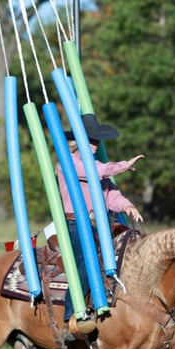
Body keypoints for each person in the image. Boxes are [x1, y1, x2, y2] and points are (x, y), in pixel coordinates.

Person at [56, 113, 144, 334]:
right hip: (76, 224)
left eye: (97, 141)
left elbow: (112, 195)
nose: (95, 145)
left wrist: (128, 206)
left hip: (100, 225)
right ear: (79, 141)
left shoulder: (96, 166)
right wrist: (124, 165)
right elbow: (98, 172)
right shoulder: (69, 162)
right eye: (90, 140)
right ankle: (70, 317)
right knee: (88, 261)